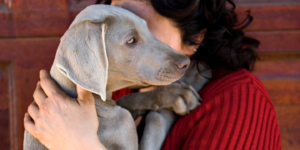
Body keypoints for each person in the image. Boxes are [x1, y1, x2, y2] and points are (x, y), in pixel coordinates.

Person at [24, 0, 282, 149]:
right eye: (130, 38)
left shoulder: (240, 102)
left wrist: (78, 145)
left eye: (143, 33)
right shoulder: (113, 88)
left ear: (194, 39)